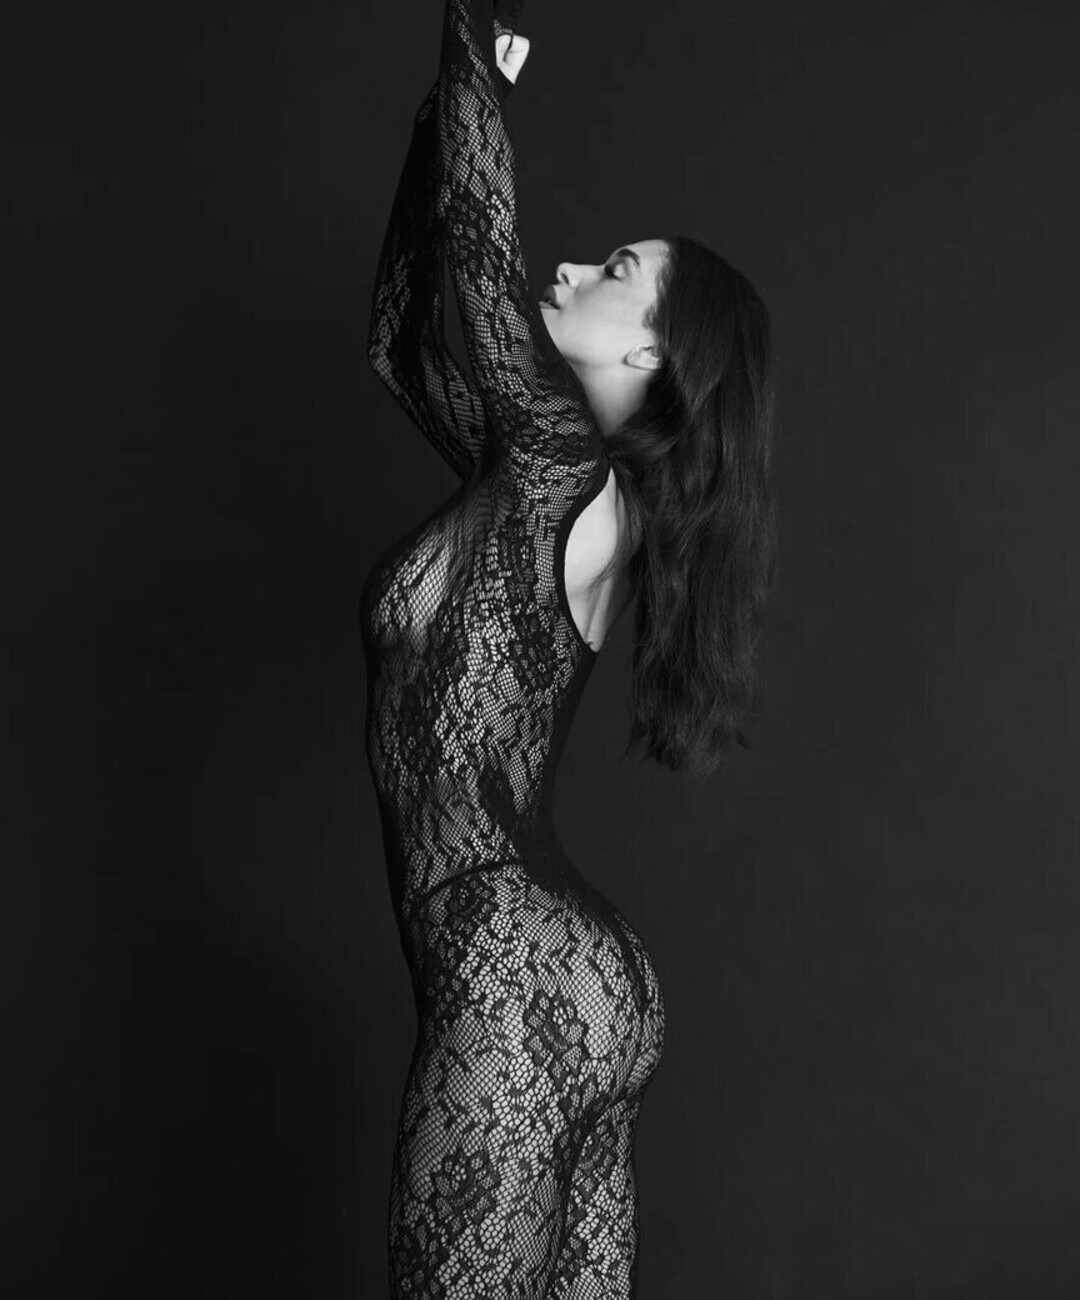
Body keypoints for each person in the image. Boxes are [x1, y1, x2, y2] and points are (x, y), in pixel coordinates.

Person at [362, 0, 777, 1293]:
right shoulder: (554, 489)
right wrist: (444, 119)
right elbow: (400, 344)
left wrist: (473, 42)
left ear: (650, 349)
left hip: (513, 979)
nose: (574, 268)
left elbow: (484, 266)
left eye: (615, 272)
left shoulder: (561, 468)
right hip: (587, 990)